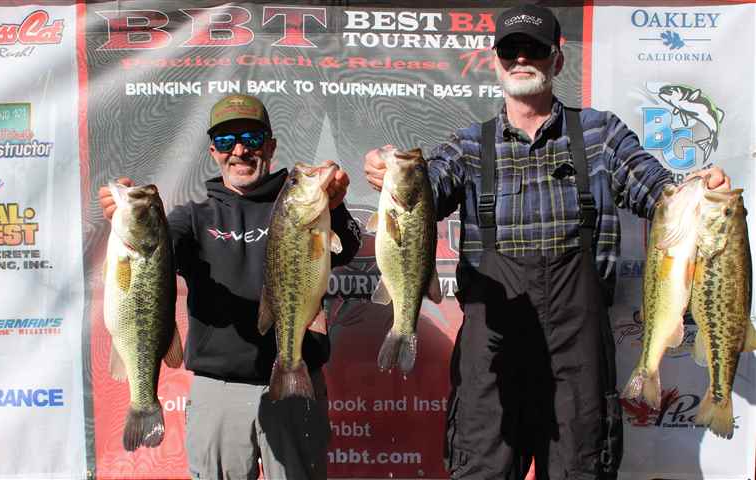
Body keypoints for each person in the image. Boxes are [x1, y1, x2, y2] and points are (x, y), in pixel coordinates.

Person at [363, 4, 729, 480]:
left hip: (577, 365)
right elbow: (421, 191)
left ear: (557, 60)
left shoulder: (600, 134)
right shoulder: (471, 146)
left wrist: (700, 189)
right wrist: (387, 173)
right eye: (510, 49)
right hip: (491, 360)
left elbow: (658, 192)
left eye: (534, 49)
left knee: (581, 470)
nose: (521, 59)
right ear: (496, 61)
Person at [99, 93, 361, 480]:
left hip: (296, 379)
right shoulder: (192, 217)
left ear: (270, 146)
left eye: (252, 139)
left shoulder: (300, 203)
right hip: (218, 389)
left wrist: (334, 206)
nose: (240, 150)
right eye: (225, 142)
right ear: (213, 152)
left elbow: (348, 246)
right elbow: (153, 254)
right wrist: (127, 219)